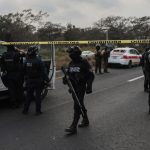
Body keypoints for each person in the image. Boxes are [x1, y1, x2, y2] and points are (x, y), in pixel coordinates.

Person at [63, 46, 94, 134]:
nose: (70, 55)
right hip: (73, 88)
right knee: (80, 104)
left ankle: (73, 126)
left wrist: (89, 86)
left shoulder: (84, 62)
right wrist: (65, 79)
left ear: (76, 54)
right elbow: (68, 74)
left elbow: (91, 75)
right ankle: (86, 120)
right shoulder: (71, 63)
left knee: (77, 106)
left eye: (71, 53)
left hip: (81, 87)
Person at [22, 45, 49, 115]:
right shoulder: (39, 61)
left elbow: (23, 71)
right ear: (35, 52)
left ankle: (25, 110)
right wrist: (47, 80)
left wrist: (26, 79)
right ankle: (38, 111)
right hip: (38, 81)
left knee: (28, 96)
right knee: (38, 96)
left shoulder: (26, 61)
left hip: (29, 81)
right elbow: (44, 72)